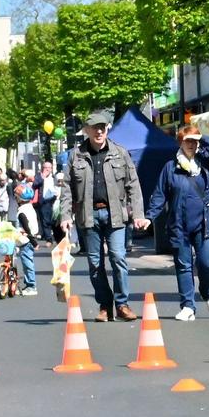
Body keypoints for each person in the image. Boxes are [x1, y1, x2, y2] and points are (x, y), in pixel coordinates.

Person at [61, 109, 149, 322]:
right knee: (95, 263)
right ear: (87, 130)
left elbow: (133, 185)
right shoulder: (77, 155)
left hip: (115, 215)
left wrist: (138, 214)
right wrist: (65, 216)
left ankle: (122, 304)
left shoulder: (120, 152)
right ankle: (104, 305)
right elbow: (66, 187)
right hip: (89, 216)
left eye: (103, 127)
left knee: (118, 257)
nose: (99, 131)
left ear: (107, 128)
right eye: (95, 128)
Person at [149, 126, 209, 320]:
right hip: (179, 225)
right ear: (180, 143)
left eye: (194, 141)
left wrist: (201, 137)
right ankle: (188, 306)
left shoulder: (206, 163)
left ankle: (207, 293)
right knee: (183, 265)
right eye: (187, 141)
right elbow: (160, 194)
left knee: (207, 263)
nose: (191, 144)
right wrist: (149, 216)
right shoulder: (170, 167)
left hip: (204, 223)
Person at [10, 177, 41, 295]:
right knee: (26, 261)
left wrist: (34, 242)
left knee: (27, 263)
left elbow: (27, 228)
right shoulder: (29, 208)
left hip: (26, 240)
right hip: (27, 239)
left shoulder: (22, 212)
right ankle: (27, 285)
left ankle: (31, 286)